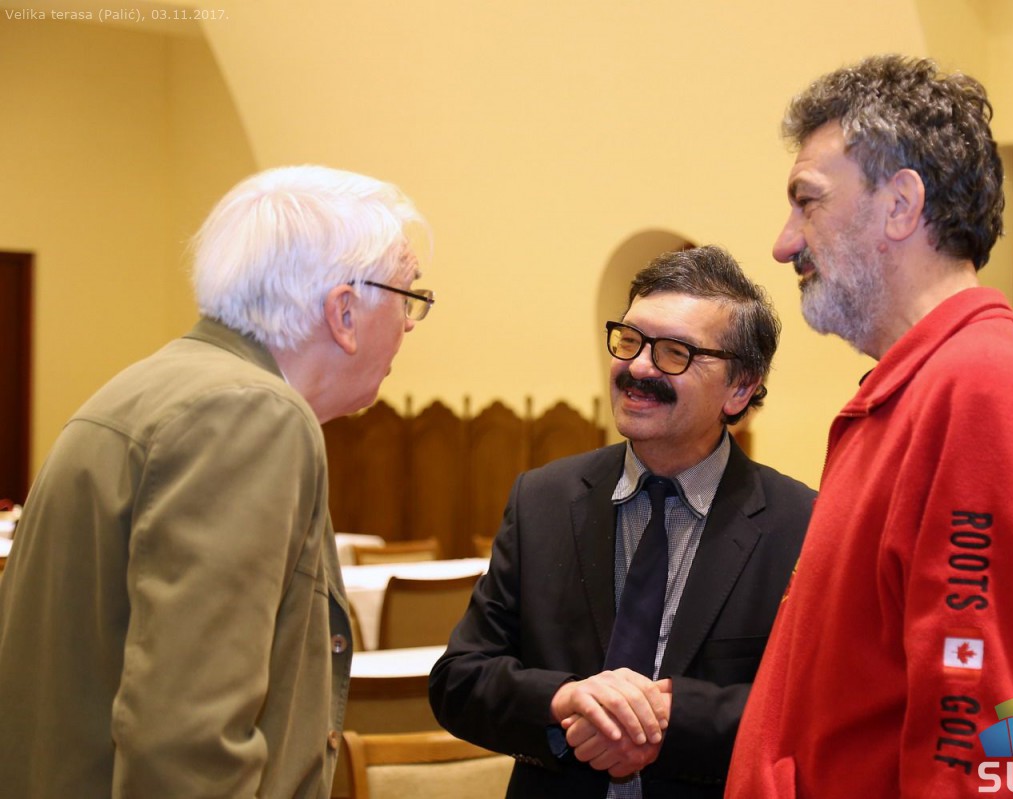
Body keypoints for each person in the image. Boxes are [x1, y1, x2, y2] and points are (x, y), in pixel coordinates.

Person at [0, 165, 434, 798]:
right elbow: (188, 740)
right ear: (344, 311)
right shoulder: (251, 413)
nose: (410, 323)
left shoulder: (154, 385)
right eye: (406, 296)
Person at [725, 55, 1013, 797]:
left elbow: (1003, 736)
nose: (784, 243)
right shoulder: (912, 389)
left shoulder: (980, 389)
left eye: (807, 201)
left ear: (900, 204)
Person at [429, 245, 816, 798]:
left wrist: (669, 723)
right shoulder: (542, 500)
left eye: (675, 352)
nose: (637, 368)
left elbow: (813, 711)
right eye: (630, 340)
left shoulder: (800, 525)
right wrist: (563, 701)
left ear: (740, 387)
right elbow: (461, 680)